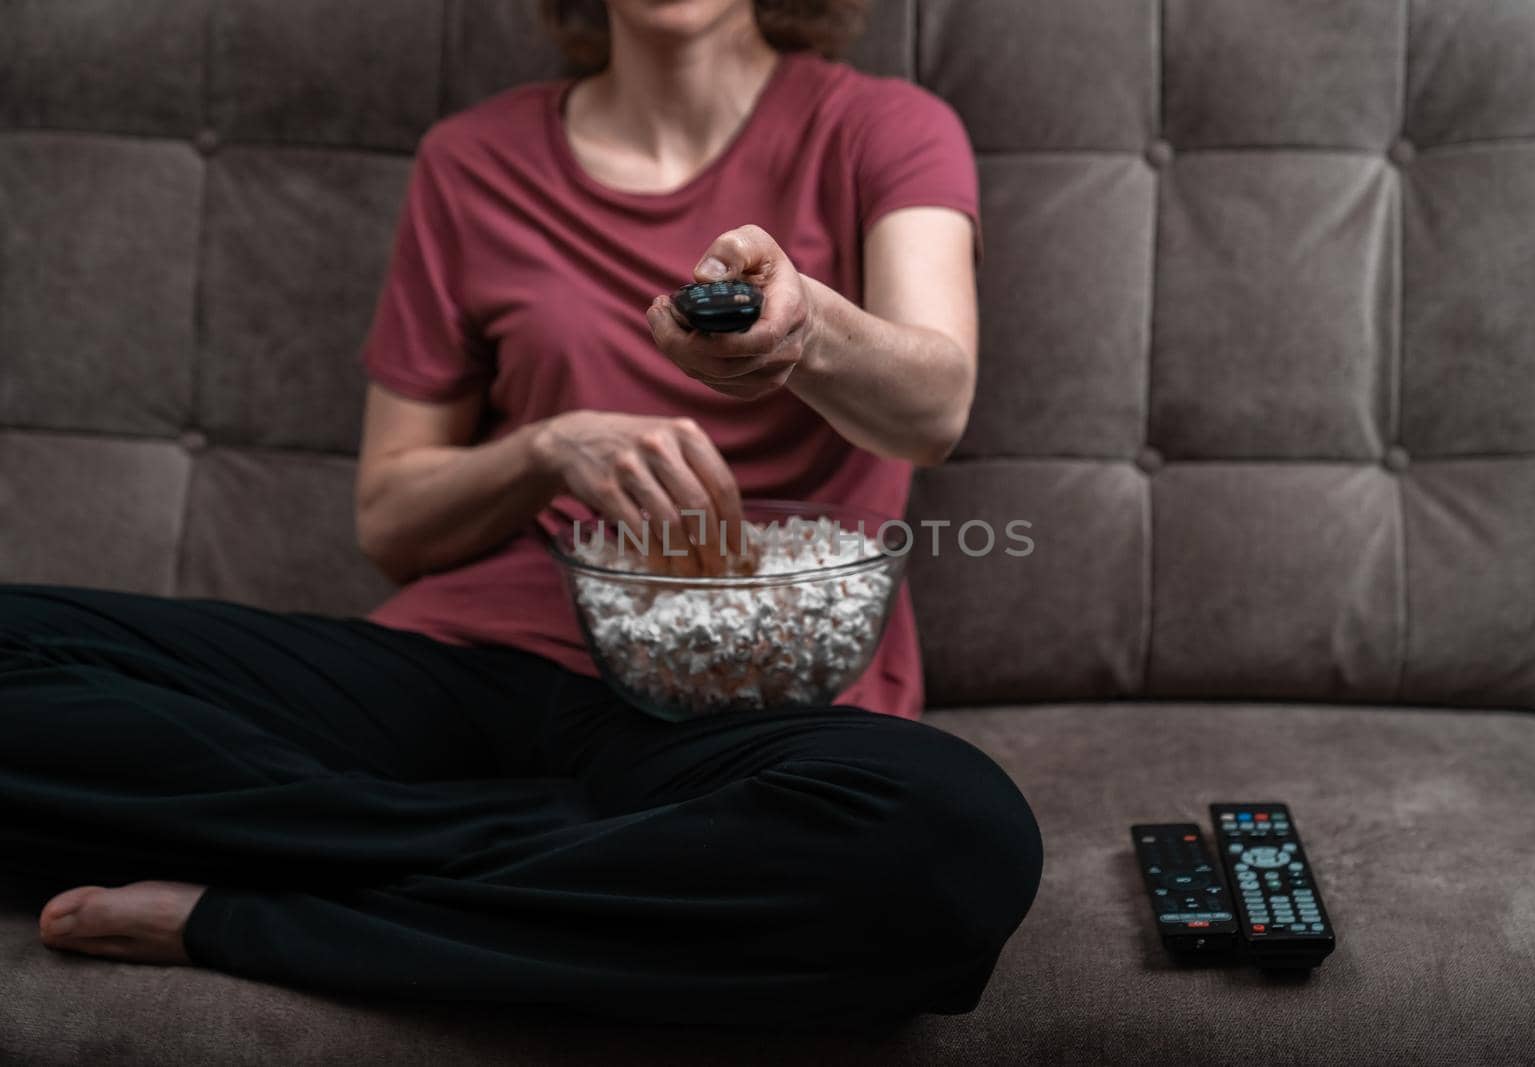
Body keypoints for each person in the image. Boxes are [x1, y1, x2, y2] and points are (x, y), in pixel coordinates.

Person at [0, 0, 1042, 1030]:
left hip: (741, 724)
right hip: (465, 670)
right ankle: (572, 848)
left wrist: (805, 326)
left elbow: (932, 408)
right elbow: (394, 523)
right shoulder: (473, 158)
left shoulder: (884, 127)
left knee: (955, 832)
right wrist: (546, 445)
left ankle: (270, 908)